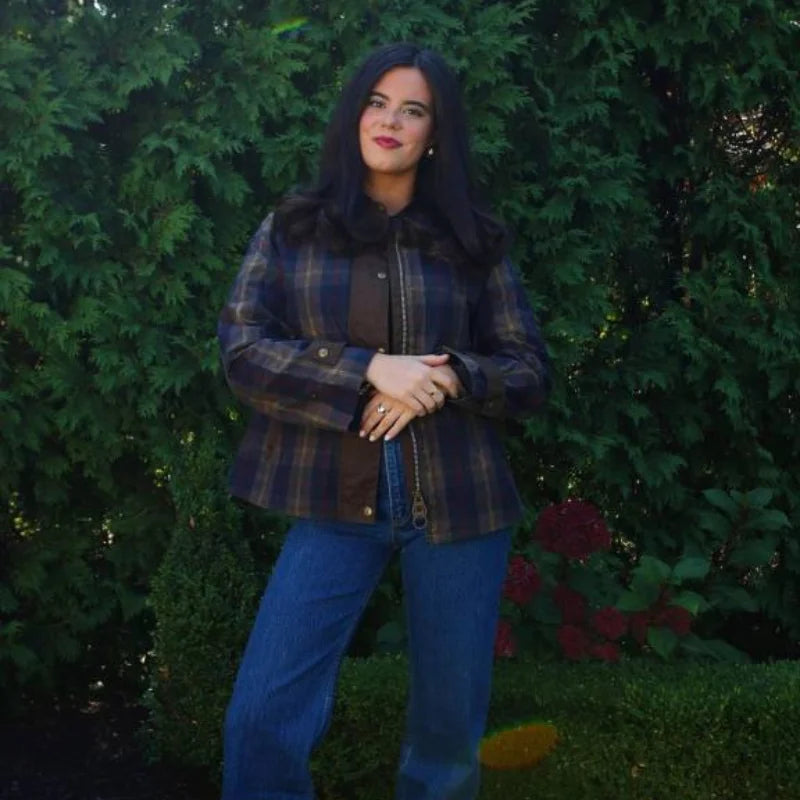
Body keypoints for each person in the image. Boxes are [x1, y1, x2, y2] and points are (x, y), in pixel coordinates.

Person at [217, 41, 549, 800]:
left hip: (461, 508)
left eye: (412, 109)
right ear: (354, 116)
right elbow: (243, 353)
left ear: (435, 134)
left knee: (447, 740)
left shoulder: (472, 239)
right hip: (333, 504)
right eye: (376, 103)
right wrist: (366, 368)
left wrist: (448, 375)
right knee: (262, 717)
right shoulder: (293, 228)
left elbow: (529, 370)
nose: (390, 121)